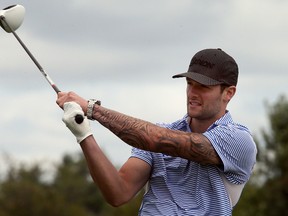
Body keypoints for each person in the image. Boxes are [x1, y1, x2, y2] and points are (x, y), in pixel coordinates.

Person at [56, 48, 257, 215]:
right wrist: (83, 134)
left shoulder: (238, 140)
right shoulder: (160, 132)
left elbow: (156, 139)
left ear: (228, 93)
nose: (193, 93)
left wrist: (92, 109)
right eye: (189, 84)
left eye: (203, 87)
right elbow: (119, 192)